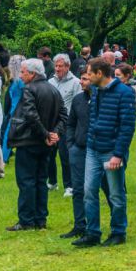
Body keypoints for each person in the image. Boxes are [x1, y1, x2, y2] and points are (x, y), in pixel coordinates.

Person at [72, 58, 135, 247]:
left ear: (100, 73)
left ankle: (118, 231)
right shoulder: (97, 92)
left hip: (111, 151)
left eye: (90, 73)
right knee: (89, 191)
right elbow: (94, 118)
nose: (87, 77)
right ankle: (92, 233)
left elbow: (127, 126)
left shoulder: (124, 93)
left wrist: (118, 154)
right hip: (93, 148)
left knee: (116, 194)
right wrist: (90, 139)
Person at [7, 58, 65, 231]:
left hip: (30, 140)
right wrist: (55, 133)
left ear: (33, 73)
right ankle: (40, 219)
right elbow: (64, 114)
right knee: (41, 180)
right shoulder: (53, 89)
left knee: (26, 181)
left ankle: (26, 220)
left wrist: (47, 134)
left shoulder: (29, 90)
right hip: (46, 143)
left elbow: (31, 116)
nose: (21, 74)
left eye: (23, 71)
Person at [59, 70, 91, 239]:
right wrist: (72, 145)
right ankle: (80, 225)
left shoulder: (103, 99)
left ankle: (117, 227)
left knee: (107, 190)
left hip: (98, 150)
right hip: (78, 149)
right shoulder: (78, 100)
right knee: (78, 189)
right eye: (81, 78)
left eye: (85, 79)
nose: (81, 82)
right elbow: (71, 123)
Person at [47, 54, 81, 194]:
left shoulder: (76, 82)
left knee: (65, 155)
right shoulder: (50, 82)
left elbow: (77, 105)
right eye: (56, 65)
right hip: (51, 124)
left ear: (67, 67)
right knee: (49, 155)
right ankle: (52, 182)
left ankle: (69, 185)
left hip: (67, 125)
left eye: (61, 66)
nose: (57, 68)